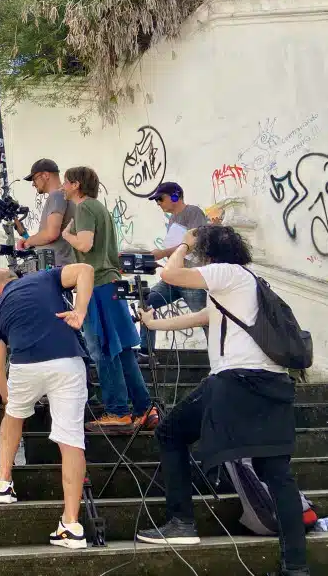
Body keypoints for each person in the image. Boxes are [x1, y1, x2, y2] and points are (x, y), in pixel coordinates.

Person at [136, 225, 308, 576]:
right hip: (273, 385)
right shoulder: (248, 283)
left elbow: (170, 275)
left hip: (235, 382)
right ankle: (296, 568)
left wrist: (184, 244)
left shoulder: (225, 272)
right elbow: (202, 317)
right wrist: (152, 325)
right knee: (277, 474)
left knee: (170, 433)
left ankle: (182, 522)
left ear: (209, 254)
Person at [0, 263, 94, 549]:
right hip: (67, 361)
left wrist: (9, 398)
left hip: (25, 365)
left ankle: (3, 482)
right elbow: (85, 269)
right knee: (71, 441)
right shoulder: (45, 277)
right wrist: (80, 311)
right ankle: (71, 525)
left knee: (13, 416)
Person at [60, 166, 156, 433]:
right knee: (122, 350)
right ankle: (144, 408)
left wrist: (67, 235)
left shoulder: (84, 208)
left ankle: (117, 411)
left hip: (97, 284)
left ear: (76, 184)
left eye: (66, 182)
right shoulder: (99, 208)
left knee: (102, 349)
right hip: (111, 283)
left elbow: (85, 244)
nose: (63, 187)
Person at [139, 182, 209, 355]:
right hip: (173, 278)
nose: (158, 203)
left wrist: (162, 253)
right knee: (145, 301)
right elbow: (178, 249)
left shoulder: (193, 212)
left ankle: (221, 357)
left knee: (206, 319)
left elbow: (195, 243)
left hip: (191, 278)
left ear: (175, 196)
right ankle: (146, 351)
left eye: (160, 199)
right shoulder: (172, 219)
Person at [15, 158, 76, 267]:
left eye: (34, 179)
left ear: (46, 175)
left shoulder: (56, 195)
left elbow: (51, 234)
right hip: (61, 265)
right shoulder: (66, 195)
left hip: (54, 266)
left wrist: (28, 242)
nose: (33, 184)